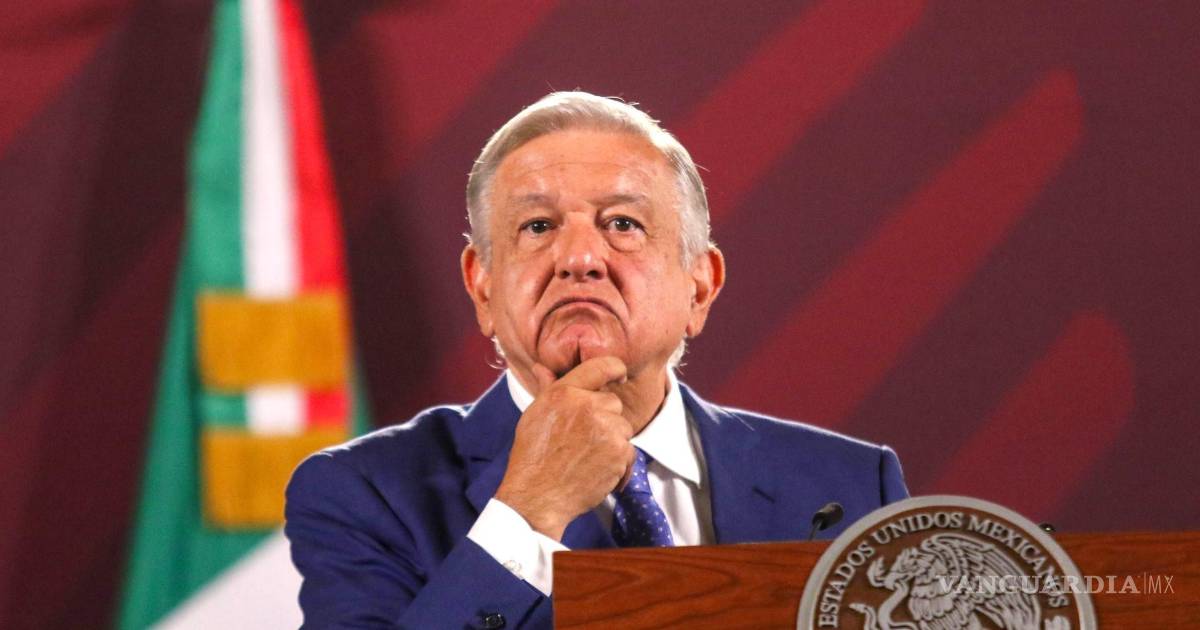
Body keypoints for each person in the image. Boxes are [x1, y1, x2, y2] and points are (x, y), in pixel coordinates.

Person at [284, 91, 908, 629]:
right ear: (482, 287)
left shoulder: (850, 487)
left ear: (700, 287)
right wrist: (528, 510)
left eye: (623, 223)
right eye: (537, 226)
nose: (579, 258)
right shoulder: (362, 493)